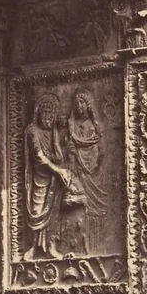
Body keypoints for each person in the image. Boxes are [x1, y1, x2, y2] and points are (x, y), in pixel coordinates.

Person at [22, 93, 72, 260]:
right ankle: (33, 247)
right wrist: (58, 171)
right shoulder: (32, 131)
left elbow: (58, 157)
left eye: (51, 114)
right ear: (38, 113)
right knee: (37, 210)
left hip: (53, 181)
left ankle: (51, 247)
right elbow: (39, 157)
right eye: (45, 113)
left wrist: (57, 133)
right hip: (39, 177)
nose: (48, 117)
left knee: (54, 214)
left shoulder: (53, 132)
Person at [64, 87, 108, 255]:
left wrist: (90, 159)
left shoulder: (92, 127)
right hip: (77, 169)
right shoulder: (72, 126)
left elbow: (99, 149)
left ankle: (95, 248)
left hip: (92, 171)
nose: (79, 107)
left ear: (89, 105)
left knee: (94, 209)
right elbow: (68, 149)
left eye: (82, 103)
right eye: (77, 104)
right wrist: (70, 149)